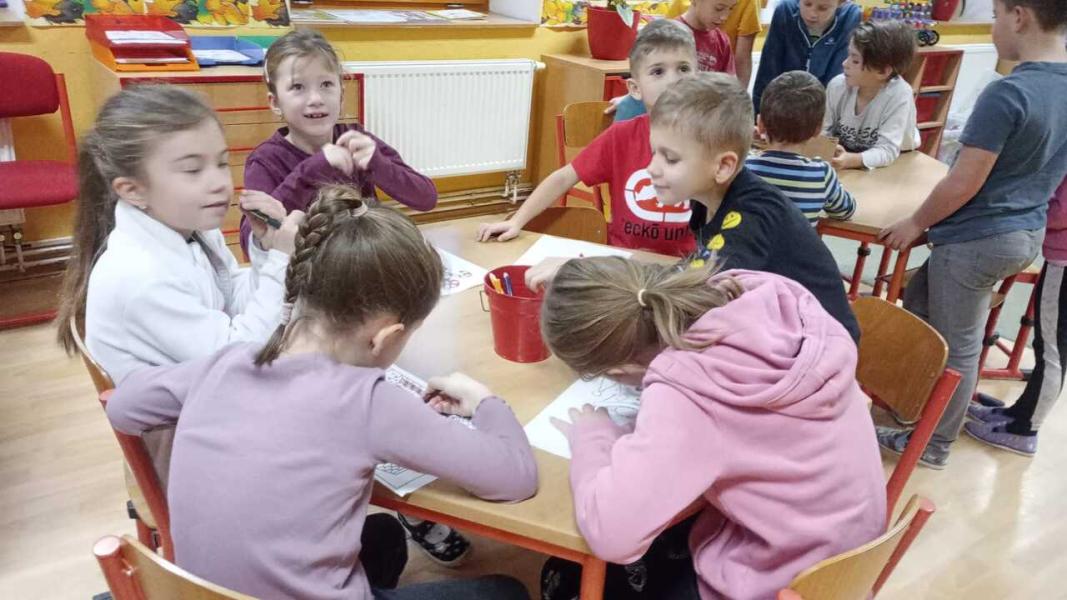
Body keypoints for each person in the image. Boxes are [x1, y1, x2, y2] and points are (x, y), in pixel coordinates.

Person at [106, 186, 538, 600]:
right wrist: (485, 402)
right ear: (385, 337)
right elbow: (515, 477)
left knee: (385, 538)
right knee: (508, 591)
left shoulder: (225, 361)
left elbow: (123, 407)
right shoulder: (368, 402)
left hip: (195, 595)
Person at [878, 0, 1067, 468]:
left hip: (979, 239)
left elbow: (964, 181)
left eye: (997, 15)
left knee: (955, 345)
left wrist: (916, 223)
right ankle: (916, 407)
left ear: (1020, 17)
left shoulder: (1008, 93)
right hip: (1023, 232)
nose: (994, 26)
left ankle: (934, 444)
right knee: (921, 304)